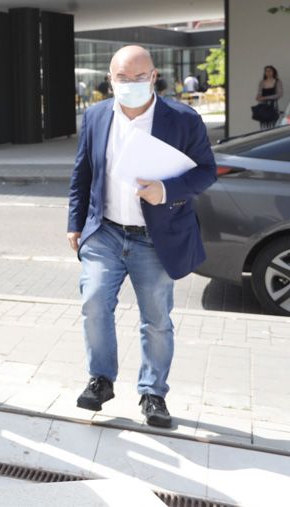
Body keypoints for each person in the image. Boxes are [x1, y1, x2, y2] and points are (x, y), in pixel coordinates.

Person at [67, 45, 216, 429]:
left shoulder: (183, 119)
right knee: (94, 305)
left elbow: (205, 173)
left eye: (139, 77)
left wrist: (164, 191)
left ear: (153, 77)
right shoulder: (97, 116)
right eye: (122, 78)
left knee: (156, 320)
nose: (130, 84)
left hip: (156, 237)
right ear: (110, 79)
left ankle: (153, 393)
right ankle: (101, 379)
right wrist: (75, 223)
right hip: (106, 232)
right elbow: (82, 174)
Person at [255, 65, 284, 129]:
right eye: (266, 71)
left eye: (270, 70)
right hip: (263, 107)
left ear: (273, 72)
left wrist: (265, 98)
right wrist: (258, 97)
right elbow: (259, 93)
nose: (268, 72)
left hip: (273, 106)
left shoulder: (277, 81)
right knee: (264, 126)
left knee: (273, 125)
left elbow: (279, 94)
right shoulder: (262, 82)